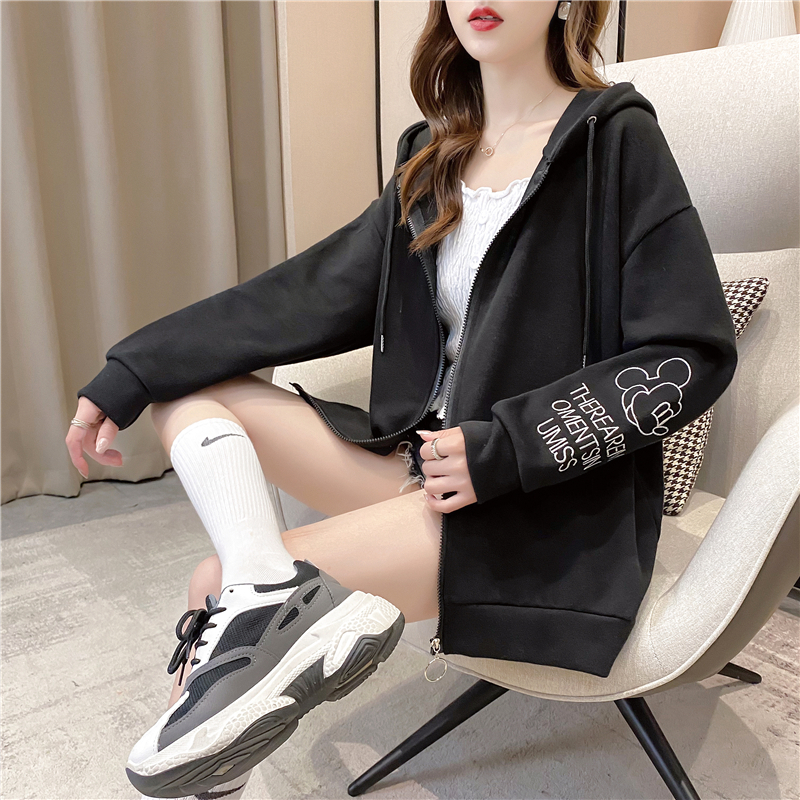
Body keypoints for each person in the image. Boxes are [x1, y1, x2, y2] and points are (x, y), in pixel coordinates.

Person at [65, 1, 738, 797]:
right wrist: (130, 371)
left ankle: (243, 641)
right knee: (185, 395)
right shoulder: (433, 155)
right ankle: (264, 584)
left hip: (532, 502)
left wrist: (505, 449)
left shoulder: (617, 141)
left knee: (211, 586)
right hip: (420, 468)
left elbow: (688, 353)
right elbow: (309, 292)